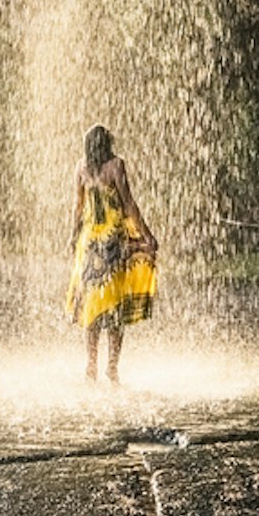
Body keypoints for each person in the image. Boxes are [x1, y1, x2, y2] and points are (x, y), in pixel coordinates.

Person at [65, 124, 158, 382]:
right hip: (113, 242)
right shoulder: (116, 165)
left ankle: (91, 365)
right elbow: (128, 203)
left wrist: (72, 237)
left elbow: (78, 206)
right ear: (107, 143)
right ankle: (112, 367)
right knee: (115, 307)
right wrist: (147, 235)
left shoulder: (81, 168)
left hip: (90, 244)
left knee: (93, 307)